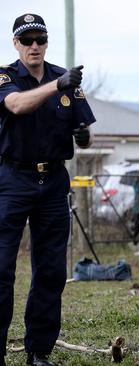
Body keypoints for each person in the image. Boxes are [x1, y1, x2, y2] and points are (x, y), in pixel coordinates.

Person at [0, 13, 95, 366]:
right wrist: (57, 86)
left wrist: (84, 137)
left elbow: (84, 133)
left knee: (52, 270)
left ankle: (38, 352)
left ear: (47, 42)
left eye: (40, 39)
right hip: (12, 180)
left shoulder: (65, 79)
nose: (34, 46)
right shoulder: (5, 76)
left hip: (54, 182)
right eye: (27, 40)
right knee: (1, 271)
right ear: (16, 44)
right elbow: (17, 105)